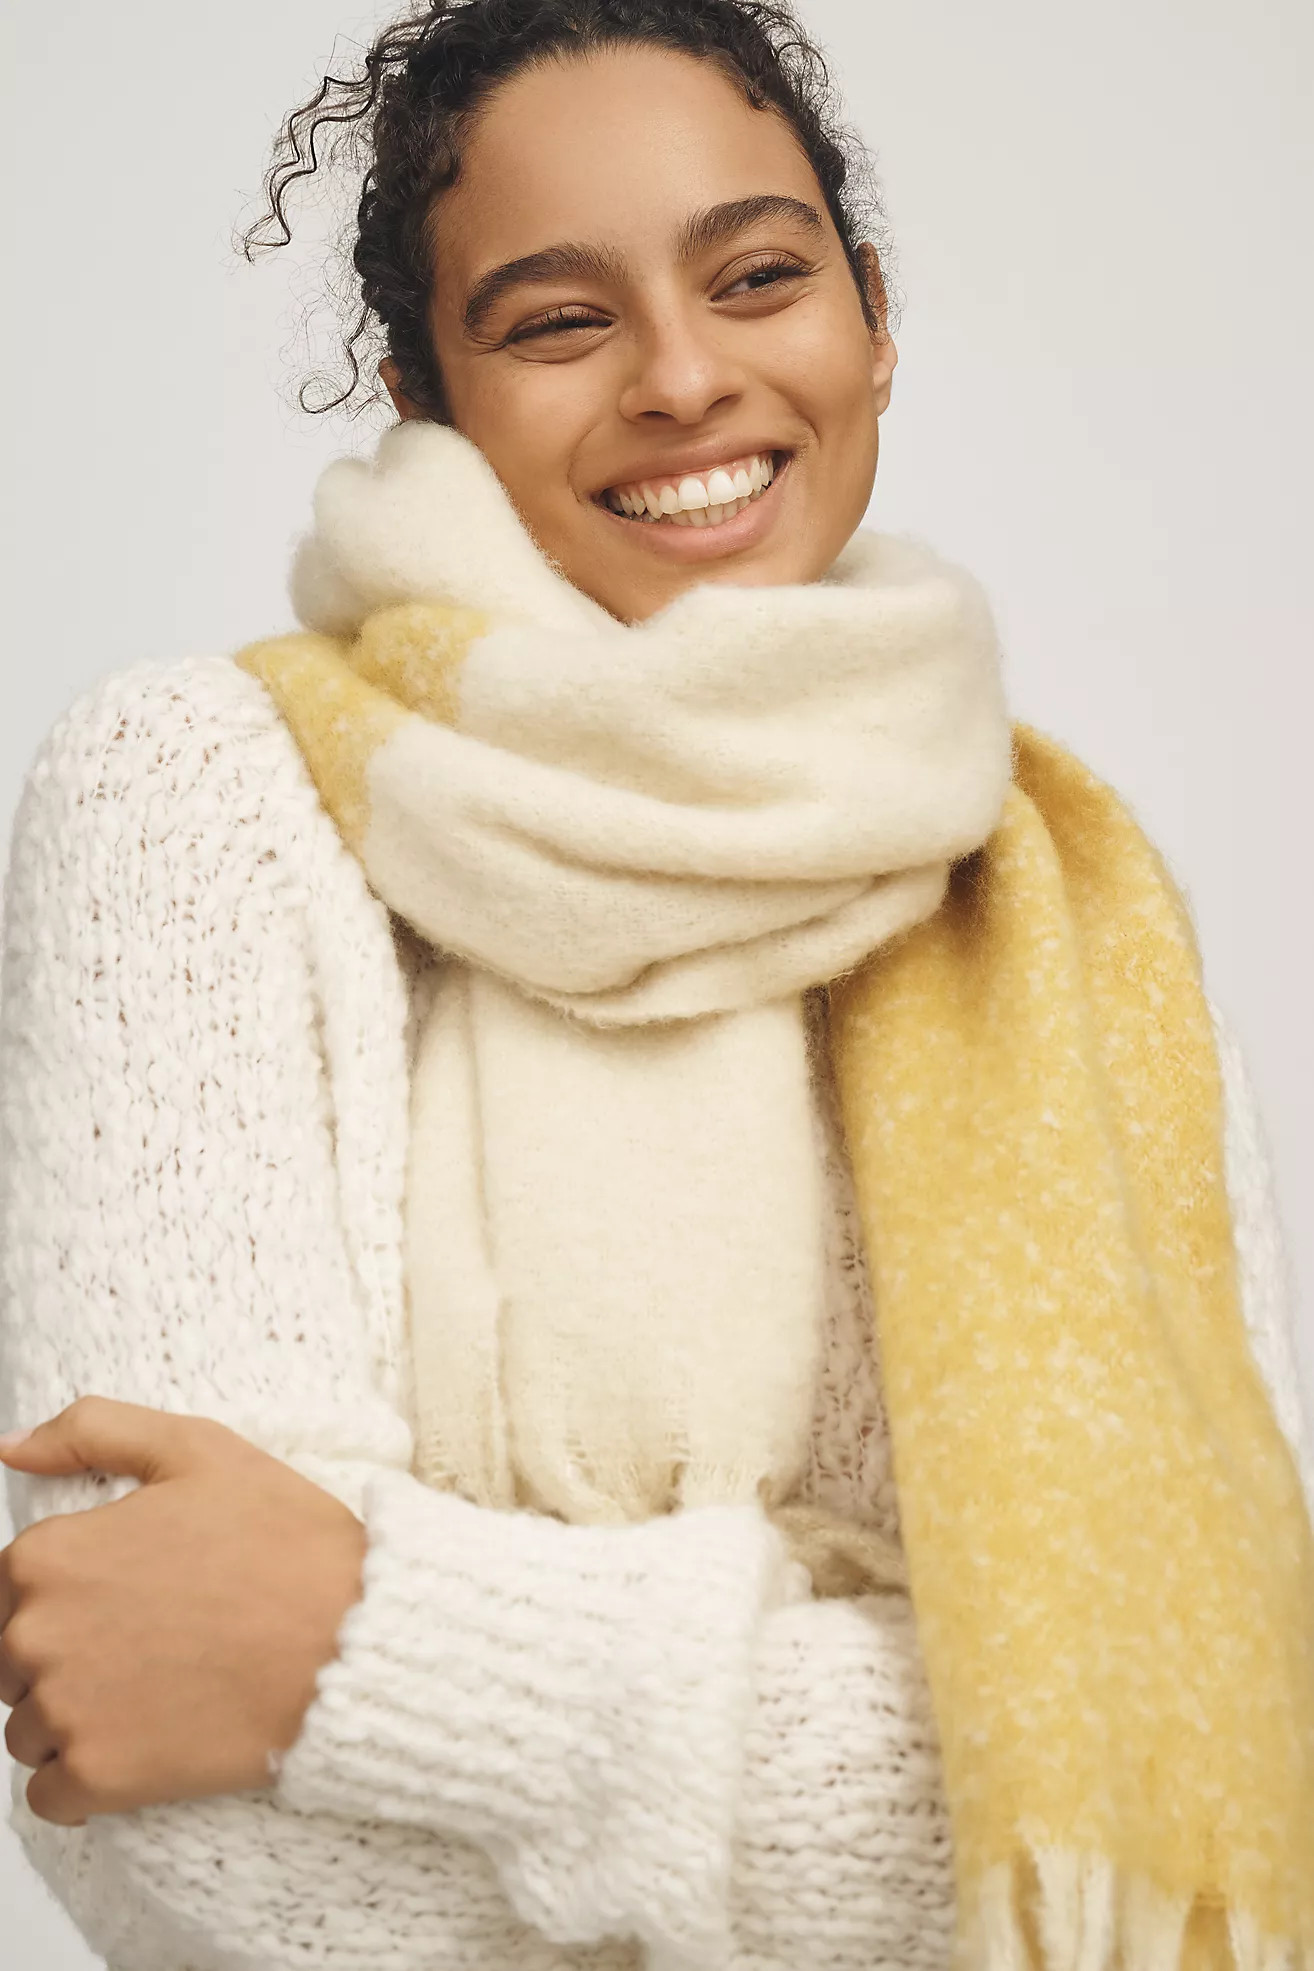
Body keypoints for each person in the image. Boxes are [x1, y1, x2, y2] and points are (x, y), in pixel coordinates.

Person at [2, 4, 1312, 1969]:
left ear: (872, 319)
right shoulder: (200, 800)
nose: (686, 377)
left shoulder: (1057, 904)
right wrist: (916, 1707)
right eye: (556, 321)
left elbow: (1232, 1745)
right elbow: (191, 1816)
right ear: (426, 390)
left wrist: (371, 1646)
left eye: (757, 278)